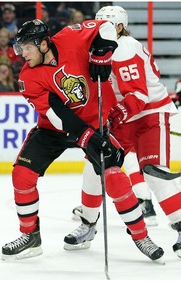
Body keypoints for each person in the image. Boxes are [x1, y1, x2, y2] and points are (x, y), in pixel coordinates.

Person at [1, 19, 164, 263]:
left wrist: (102, 52)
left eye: (26, 47)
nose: (22, 54)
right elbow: (57, 114)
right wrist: (84, 135)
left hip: (96, 122)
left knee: (114, 178)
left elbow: (106, 26)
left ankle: (142, 236)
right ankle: (30, 237)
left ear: (44, 44)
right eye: (20, 48)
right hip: (55, 129)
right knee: (22, 175)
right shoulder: (28, 77)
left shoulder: (70, 37)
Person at [65, 5, 181, 258]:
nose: (99, 31)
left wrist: (112, 116)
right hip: (123, 115)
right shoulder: (97, 47)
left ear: (119, 27)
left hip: (148, 113)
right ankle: (87, 224)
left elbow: (139, 94)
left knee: (155, 174)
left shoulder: (125, 47)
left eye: (105, 26)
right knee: (94, 168)